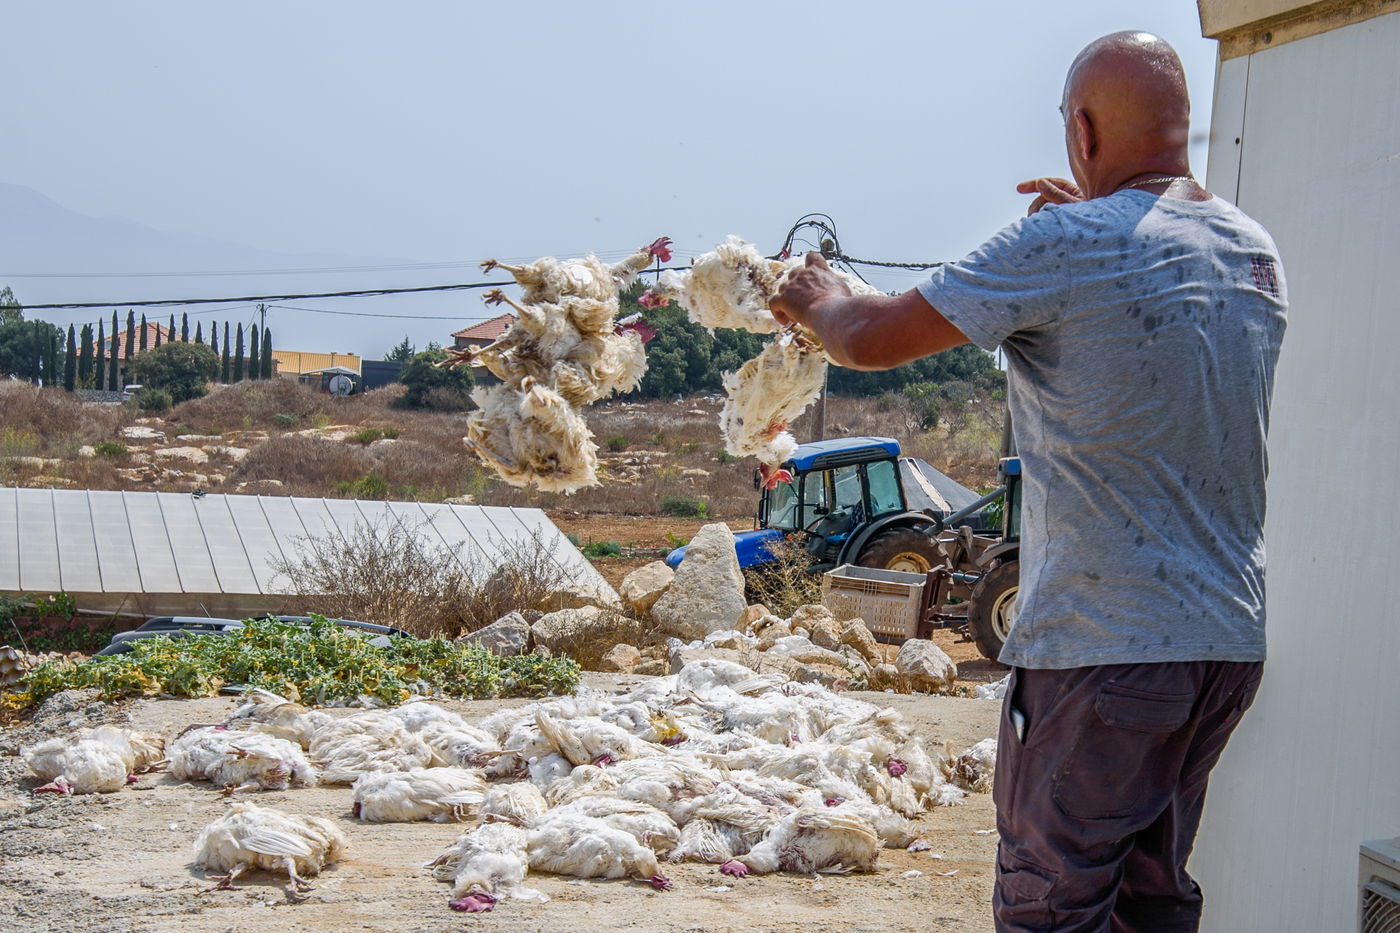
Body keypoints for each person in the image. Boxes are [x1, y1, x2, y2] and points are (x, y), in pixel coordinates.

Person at [771, 31, 1287, 933]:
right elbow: (1147, 297)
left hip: (1101, 648)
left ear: (1082, 131)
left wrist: (817, 297)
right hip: (1222, 647)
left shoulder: (1064, 242)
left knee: (1051, 904)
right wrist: (1095, 221)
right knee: (1150, 900)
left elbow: (869, 337)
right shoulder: (1251, 247)